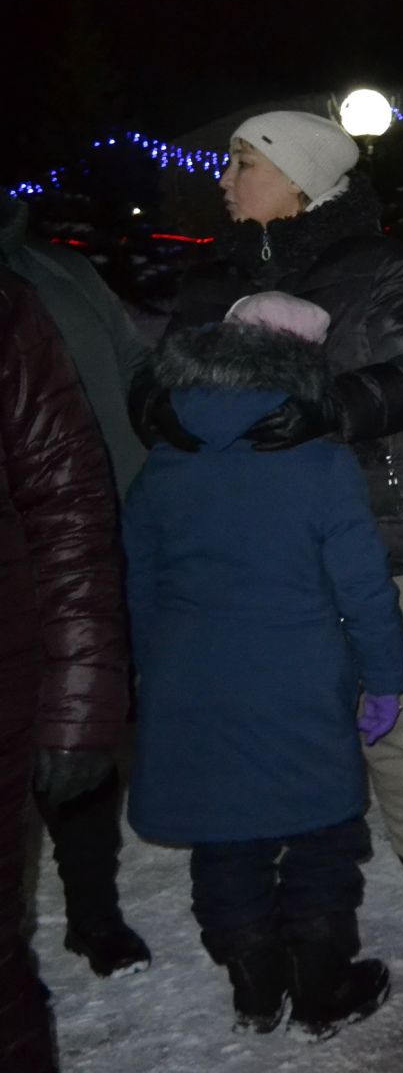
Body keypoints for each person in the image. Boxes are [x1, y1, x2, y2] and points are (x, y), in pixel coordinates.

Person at [132, 110, 403, 964]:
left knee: (401, 726)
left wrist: (325, 408)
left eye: (242, 162)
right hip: (257, 547)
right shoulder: (211, 279)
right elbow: (157, 384)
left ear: (300, 176)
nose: (225, 177)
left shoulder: (379, 264)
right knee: (272, 718)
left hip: (382, 520)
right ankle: (286, 907)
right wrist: (168, 412)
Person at [124, 292, 403, 1039]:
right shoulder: (319, 462)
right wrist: (383, 678)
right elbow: (364, 587)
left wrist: (156, 669)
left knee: (226, 834)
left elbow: (140, 581)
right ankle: (321, 983)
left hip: (192, 680)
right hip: (301, 676)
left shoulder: (163, 462)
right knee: (321, 831)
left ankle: (254, 985)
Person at [0, 198, 151, 979]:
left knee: (79, 725)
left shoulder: (57, 272)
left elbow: (133, 375)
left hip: (79, 543)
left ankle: (93, 916)